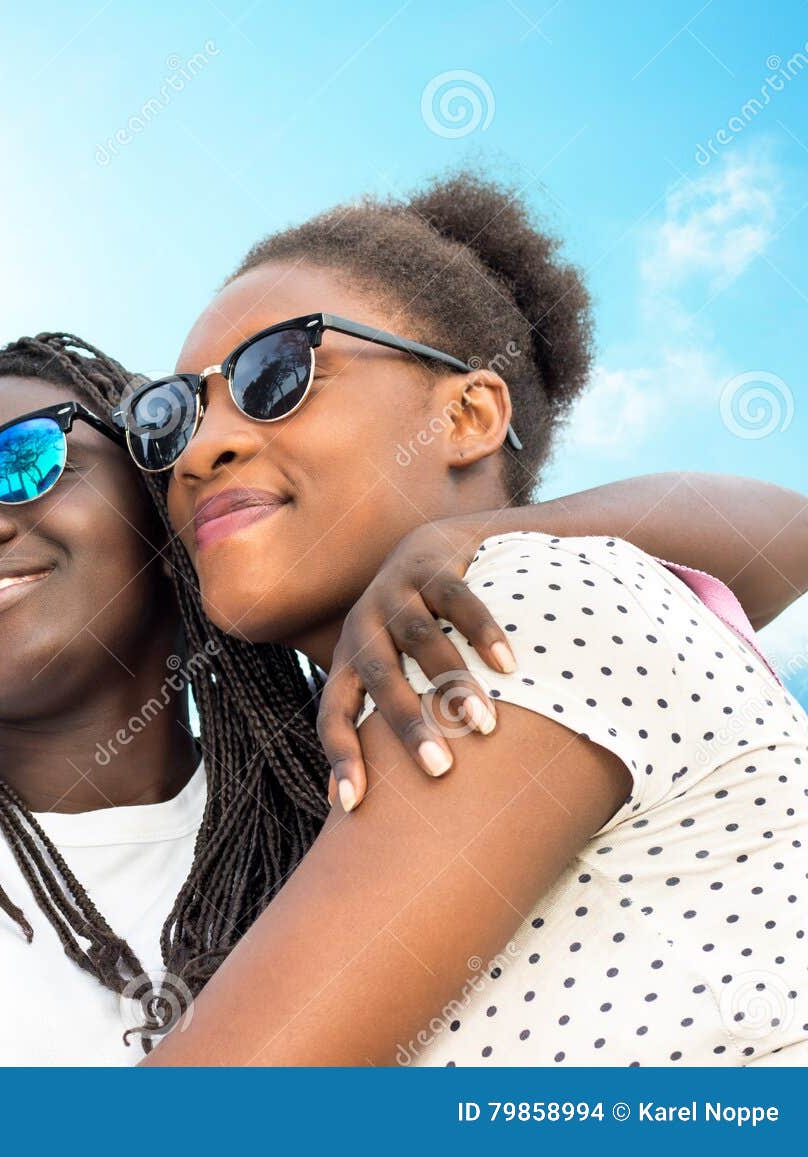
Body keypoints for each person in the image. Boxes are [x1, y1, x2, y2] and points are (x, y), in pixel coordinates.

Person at [0, 94, 805, 1066]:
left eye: (19, 463)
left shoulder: (365, 750)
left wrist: (484, 538)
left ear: (161, 519)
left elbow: (757, 549)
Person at [115, 170, 808, 1066]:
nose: (202, 450)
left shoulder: (512, 611)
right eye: (169, 419)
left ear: (470, 414)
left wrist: (484, 537)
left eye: (274, 374)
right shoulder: (376, 732)